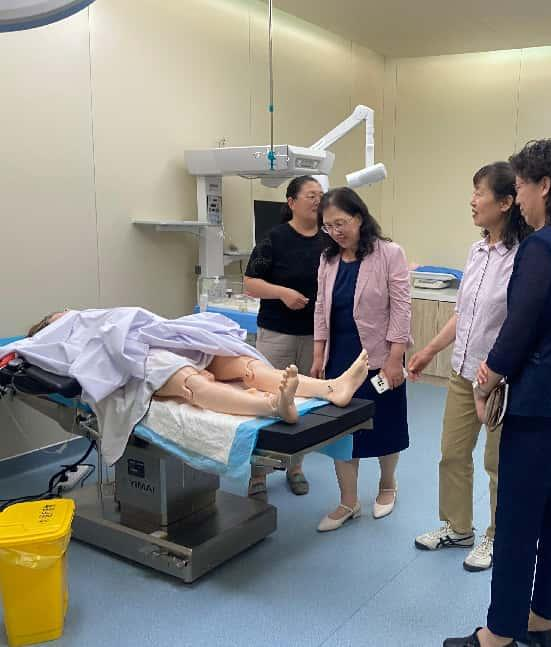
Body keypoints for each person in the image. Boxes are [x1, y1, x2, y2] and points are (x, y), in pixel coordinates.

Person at [444, 139, 551, 647]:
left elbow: (520, 328)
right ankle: (541, 621)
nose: (520, 200)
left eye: (521, 188)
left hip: (540, 406)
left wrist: (486, 379)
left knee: (516, 521)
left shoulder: (541, 247)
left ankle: (498, 634)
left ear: (544, 186)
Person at [5, 307, 369, 467]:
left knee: (240, 364)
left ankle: (330, 388)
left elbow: (129, 321)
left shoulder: (90, 315)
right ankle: (273, 406)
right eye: (58, 315)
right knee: (192, 383)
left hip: (159, 338)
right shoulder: (52, 338)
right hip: (135, 359)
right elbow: (34, 353)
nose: (67, 311)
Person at [409, 161, 532, 572]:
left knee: (498, 464)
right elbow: (463, 314)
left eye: (480, 192)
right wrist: (429, 351)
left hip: (499, 380)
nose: (473, 201)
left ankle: (498, 535)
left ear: (506, 202)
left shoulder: (523, 256)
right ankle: (458, 527)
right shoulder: (477, 251)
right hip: (463, 372)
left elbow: (520, 323)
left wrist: (496, 373)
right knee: (452, 453)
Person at [312, 187, 411, 532]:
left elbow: (401, 307)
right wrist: (318, 354)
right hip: (339, 357)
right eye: (328, 226)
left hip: (379, 357)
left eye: (340, 223)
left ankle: (387, 484)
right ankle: (348, 501)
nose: (335, 232)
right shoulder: (328, 260)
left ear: (359, 217)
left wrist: (395, 358)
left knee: (385, 423)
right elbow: (321, 307)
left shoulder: (389, 254)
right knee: (341, 431)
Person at [244, 175, 327, 498]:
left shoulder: (327, 241)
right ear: (291, 202)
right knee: (268, 399)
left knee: (303, 403)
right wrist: (283, 293)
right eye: (310, 195)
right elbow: (251, 283)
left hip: (313, 337)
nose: (317, 200)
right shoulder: (275, 238)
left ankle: (295, 467)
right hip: (277, 333)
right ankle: (258, 475)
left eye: (321, 195)